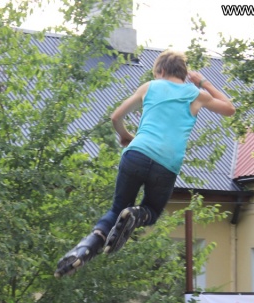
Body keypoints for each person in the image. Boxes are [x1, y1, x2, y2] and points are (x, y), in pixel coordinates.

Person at [54, 50, 235, 278]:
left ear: (161, 71)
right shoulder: (196, 94)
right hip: (166, 165)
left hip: (136, 154)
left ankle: (83, 249)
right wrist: (203, 82)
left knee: (116, 210)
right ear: (183, 73)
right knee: (151, 211)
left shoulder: (150, 87)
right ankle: (136, 215)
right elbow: (229, 109)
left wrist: (125, 136)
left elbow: (115, 117)